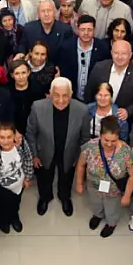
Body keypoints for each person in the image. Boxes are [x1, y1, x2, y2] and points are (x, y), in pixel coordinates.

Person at [26, 77, 92, 216]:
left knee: (66, 178)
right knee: (44, 178)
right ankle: (45, 197)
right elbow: (31, 133)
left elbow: (85, 138)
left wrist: (79, 158)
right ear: (50, 93)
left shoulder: (82, 110)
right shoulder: (37, 107)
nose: (61, 100)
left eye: (65, 95)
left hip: (69, 153)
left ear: (71, 94)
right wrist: (34, 155)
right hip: (44, 153)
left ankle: (65, 198)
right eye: (56, 95)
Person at [75, 116, 133, 238]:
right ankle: (97, 215)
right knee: (95, 203)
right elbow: (81, 165)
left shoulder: (126, 152)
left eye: (113, 141)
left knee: (112, 209)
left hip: (114, 191)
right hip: (93, 186)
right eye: (106, 140)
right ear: (100, 135)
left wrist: (127, 195)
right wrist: (79, 183)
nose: (109, 144)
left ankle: (111, 223)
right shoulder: (89, 147)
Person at [0, 121, 35, 233]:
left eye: (9, 137)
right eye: (2, 137)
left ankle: (14, 217)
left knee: (15, 203)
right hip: (1, 189)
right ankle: (4, 221)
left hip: (19, 185)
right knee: (2, 207)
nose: (6, 141)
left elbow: (28, 158)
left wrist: (28, 177)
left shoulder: (21, 145)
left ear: (14, 136)